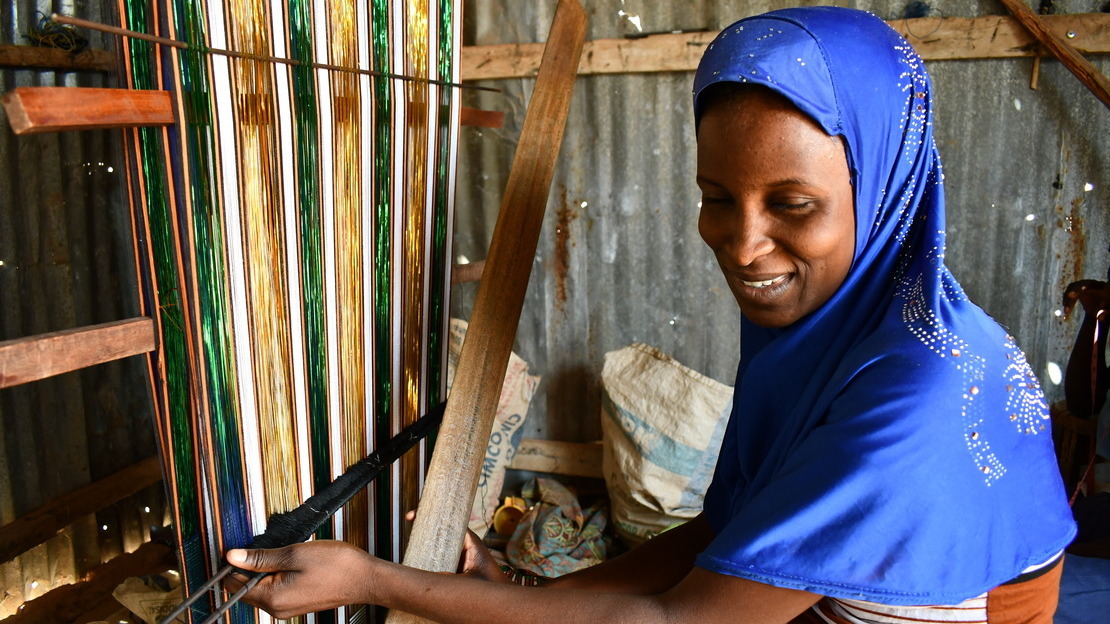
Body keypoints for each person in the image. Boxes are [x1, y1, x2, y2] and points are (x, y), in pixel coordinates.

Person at [225, 7, 1077, 623]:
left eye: (792, 204)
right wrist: (525, 599)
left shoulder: (912, 393)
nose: (744, 247)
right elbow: (723, 538)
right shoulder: (851, 327)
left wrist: (380, 582)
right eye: (716, 198)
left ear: (882, 185)